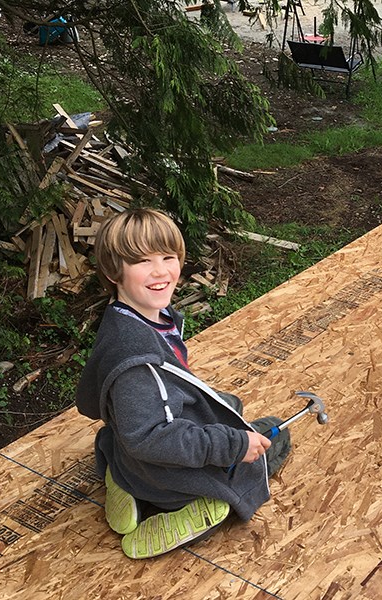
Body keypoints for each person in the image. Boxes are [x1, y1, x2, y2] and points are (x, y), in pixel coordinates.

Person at [75, 208, 290, 559]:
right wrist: (233, 446)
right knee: (272, 437)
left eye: (168, 257)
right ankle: (183, 511)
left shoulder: (132, 318)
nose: (160, 271)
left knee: (229, 404)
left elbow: (145, 408)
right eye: (143, 261)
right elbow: (152, 438)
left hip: (129, 447)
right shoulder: (137, 364)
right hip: (158, 469)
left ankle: (120, 476)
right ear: (115, 271)